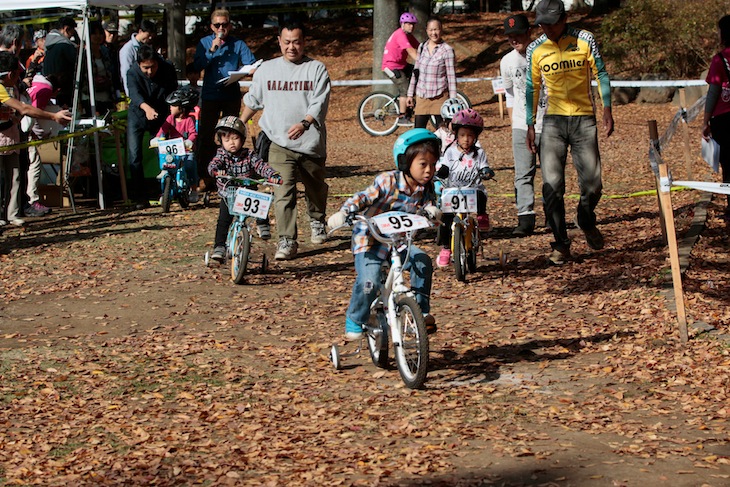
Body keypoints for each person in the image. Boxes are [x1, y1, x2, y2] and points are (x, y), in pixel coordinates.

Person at [327, 129, 442, 340]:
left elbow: (428, 207)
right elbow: (363, 197)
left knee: (423, 261)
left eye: (433, 165)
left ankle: (421, 310)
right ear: (406, 162)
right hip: (371, 240)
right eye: (423, 164)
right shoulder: (387, 181)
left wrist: (432, 211)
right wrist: (345, 212)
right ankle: (355, 317)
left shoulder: (426, 189)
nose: (429, 170)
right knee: (368, 281)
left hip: (399, 242)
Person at [525, 0, 613, 265]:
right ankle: (561, 243)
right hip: (552, 122)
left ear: (563, 19)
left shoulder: (585, 39)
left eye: (550, 23)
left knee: (593, 184)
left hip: (584, 120)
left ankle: (585, 218)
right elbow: (532, 87)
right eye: (541, 23)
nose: (545, 28)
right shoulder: (535, 48)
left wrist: (607, 108)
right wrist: (531, 124)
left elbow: (602, 73)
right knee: (552, 187)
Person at [241, 21, 331, 261]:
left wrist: (305, 123)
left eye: (297, 42)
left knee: (315, 188)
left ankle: (317, 219)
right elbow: (253, 100)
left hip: (310, 142)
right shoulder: (267, 70)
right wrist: (239, 125)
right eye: (287, 42)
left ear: (304, 42)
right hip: (278, 142)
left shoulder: (316, 69)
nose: (292, 47)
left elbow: (319, 102)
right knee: (283, 191)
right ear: (279, 42)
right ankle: (287, 240)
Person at [0, 52, 72, 227]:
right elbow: (24, 108)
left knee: (15, 176)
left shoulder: (11, 88)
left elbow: (18, 110)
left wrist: (14, 118)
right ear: (11, 74)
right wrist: (53, 116)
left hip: (12, 138)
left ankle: (12, 213)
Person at [194, 9, 256, 195]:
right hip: (210, 95)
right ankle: (205, 176)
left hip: (230, 95)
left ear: (230, 25)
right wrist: (212, 50)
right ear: (211, 26)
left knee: (231, 135)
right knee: (206, 136)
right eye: (217, 25)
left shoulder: (238, 44)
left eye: (225, 24)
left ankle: (231, 173)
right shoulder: (205, 43)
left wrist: (247, 71)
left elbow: (250, 64)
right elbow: (197, 66)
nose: (221, 28)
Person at [207, 116, 281, 262]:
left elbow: (261, 166)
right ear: (221, 141)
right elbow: (213, 165)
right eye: (227, 140)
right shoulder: (222, 154)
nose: (232, 143)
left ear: (242, 138)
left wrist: (272, 175)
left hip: (247, 192)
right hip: (228, 194)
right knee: (223, 220)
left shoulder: (249, 154)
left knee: (259, 201)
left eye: (235, 138)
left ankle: (263, 224)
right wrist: (216, 171)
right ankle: (219, 247)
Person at [501, 13, 546, 237]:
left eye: (518, 34)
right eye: (510, 36)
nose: (514, 39)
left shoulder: (545, 53)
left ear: (529, 32)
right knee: (523, 173)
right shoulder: (507, 62)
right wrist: (514, 122)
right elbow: (510, 94)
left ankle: (552, 214)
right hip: (521, 124)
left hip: (548, 122)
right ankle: (525, 217)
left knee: (551, 173)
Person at [434, 108, 494, 268]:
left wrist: (486, 171)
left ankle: (482, 216)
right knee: (445, 220)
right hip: (453, 191)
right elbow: (445, 166)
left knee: (481, 194)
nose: (466, 139)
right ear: (456, 135)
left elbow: (484, 167)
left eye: (470, 136)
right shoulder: (450, 152)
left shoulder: (479, 153)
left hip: (473, 189)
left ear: (475, 137)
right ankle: (446, 248)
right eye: (462, 135)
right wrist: (442, 171)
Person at [126, 44, 177, 209]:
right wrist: (146, 108)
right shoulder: (132, 72)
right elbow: (135, 94)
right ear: (139, 64)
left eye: (152, 67)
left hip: (161, 114)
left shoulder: (167, 68)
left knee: (165, 153)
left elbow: (173, 90)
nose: (149, 71)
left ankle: (169, 191)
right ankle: (140, 197)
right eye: (145, 68)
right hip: (138, 114)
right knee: (135, 156)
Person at [24, 72, 63, 218]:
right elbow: (34, 112)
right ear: (57, 90)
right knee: (34, 164)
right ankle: (32, 200)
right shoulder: (46, 89)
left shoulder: (36, 82)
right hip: (28, 130)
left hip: (23, 129)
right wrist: (39, 133)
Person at [407, 17, 457, 130]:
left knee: (443, 133)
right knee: (418, 133)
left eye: (436, 30)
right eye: (431, 30)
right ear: (426, 30)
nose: (433, 33)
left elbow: (451, 77)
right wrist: (410, 94)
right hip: (422, 96)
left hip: (439, 97)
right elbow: (416, 71)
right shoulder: (422, 47)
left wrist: (453, 100)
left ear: (441, 30)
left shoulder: (447, 50)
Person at [702, 15, 730, 218]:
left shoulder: (720, 59)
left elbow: (713, 93)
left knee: (728, 163)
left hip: (724, 119)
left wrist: (705, 121)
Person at [154, 87, 200, 202]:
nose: (170, 108)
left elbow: (193, 133)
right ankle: (165, 191)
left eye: (173, 105)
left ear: (181, 108)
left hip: (185, 150)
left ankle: (194, 189)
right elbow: (163, 130)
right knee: (164, 161)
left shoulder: (188, 120)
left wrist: (189, 141)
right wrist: (157, 138)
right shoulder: (170, 119)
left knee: (190, 165)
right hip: (172, 151)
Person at [382, 12, 419, 127]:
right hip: (391, 67)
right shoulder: (400, 35)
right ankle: (402, 117)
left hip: (401, 65)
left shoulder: (409, 36)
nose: (411, 26)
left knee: (419, 73)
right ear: (402, 24)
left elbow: (420, 47)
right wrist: (423, 62)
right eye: (408, 24)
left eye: (413, 24)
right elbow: (411, 51)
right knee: (405, 89)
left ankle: (410, 104)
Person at [80, 21, 118, 116]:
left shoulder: (106, 53)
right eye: (94, 33)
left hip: (107, 98)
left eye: (100, 33)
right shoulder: (83, 54)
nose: (98, 36)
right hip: (90, 99)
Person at [42, 16, 78, 107]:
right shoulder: (65, 46)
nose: (71, 37)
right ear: (66, 29)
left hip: (50, 90)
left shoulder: (49, 46)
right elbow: (78, 64)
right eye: (72, 33)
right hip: (66, 91)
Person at [119, 19, 156, 97]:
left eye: (151, 36)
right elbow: (125, 72)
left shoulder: (147, 46)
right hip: (134, 89)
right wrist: (130, 94)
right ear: (140, 31)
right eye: (148, 35)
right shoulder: (128, 49)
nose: (149, 38)